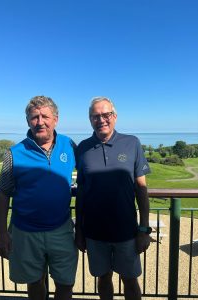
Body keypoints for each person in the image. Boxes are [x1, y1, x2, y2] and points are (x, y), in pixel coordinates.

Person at [0, 96, 78, 300]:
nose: (40, 122)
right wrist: (2, 233)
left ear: (56, 119)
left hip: (61, 229)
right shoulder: (14, 153)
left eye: (45, 116)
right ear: (28, 121)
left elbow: (87, 177)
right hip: (25, 232)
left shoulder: (70, 146)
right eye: (34, 117)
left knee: (66, 284)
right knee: (34, 283)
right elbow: (3, 194)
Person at [75, 96, 151, 300]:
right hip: (94, 233)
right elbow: (81, 193)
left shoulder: (132, 143)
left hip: (126, 232)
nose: (101, 120)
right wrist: (79, 231)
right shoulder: (82, 148)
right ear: (90, 119)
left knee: (130, 280)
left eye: (106, 114)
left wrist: (144, 229)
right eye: (95, 116)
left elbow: (141, 189)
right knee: (103, 279)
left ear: (115, 116)